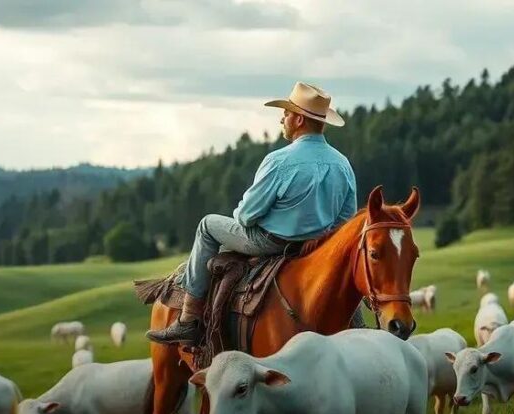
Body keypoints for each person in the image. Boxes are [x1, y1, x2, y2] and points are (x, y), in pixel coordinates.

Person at [146, 81, 358, 345]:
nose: (284, 118)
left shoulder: (279, 161)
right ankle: (359, 327)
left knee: (207, 225)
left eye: (288, 113)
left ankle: (188, 318)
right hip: (318, 248)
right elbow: (345, 221)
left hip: (271, 243)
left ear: (300, 119)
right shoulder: (342, 164)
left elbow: (246, 216)